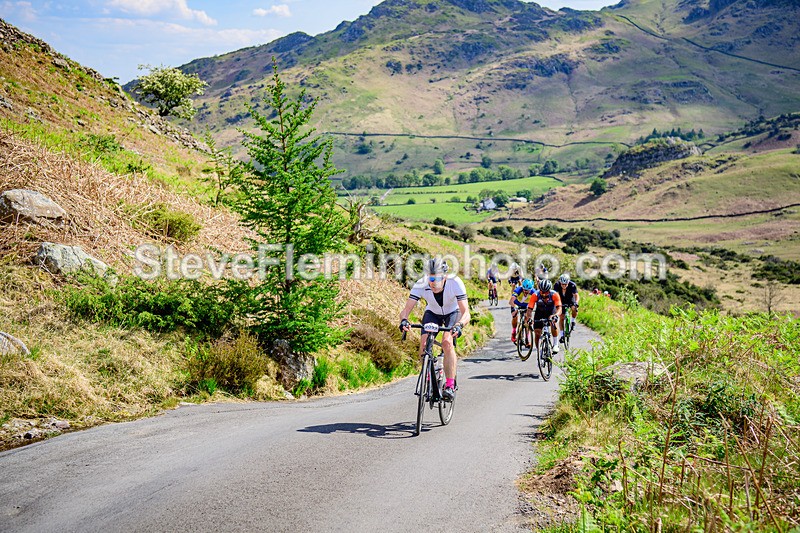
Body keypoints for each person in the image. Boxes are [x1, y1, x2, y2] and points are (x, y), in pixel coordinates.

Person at [399, 258, 471, 401]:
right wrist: (404, 320)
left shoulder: (455, 283)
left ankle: (450, 385)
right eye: (431, 278)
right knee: (424, 345)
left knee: (447, 342)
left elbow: (466, 313)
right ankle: (429, 375)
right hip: (432, 313)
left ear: (444, 276)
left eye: (437, 278)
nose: (433, 282)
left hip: (453, 313)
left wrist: (460, 325)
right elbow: (406, 310)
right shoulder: (421, 284)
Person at [524, 278, 562, 356]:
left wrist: (556, 315)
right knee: (537, 333)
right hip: (539, 313)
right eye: (542, 291)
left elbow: (559, 308)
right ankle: (538, 351)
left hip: (551, 311)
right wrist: (529, 318)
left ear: (549, 290)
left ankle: (555, 344)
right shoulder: (535, 295)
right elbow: (530, 309)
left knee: (553, 322)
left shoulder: (554, 294)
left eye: (546, 292)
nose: (544, 294)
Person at [554, 273, 579, 344]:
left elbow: (576, 295)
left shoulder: (572, 285)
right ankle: (562, 335)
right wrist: (557, 305)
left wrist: (576, 302)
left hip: (570, 299)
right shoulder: (557, 285)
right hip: (561, 299)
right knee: (561, 317)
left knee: (574, 308)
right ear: (560, 283)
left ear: (568, 283)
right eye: (562, 284)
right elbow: (555, 296)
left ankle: (573, 321)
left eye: (566, 284)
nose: (564, 286)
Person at [509, 278, 535, 344]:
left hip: (526, 305)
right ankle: (514, 332)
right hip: (516, 304)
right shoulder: (518, 290)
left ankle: (527, 339)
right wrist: (515, 307)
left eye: (528, 290)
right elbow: (511, 301)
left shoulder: (533, 292)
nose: (526, 292)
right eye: (524, 290)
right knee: (514, 316)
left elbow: (537, 302)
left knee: (527, 319)